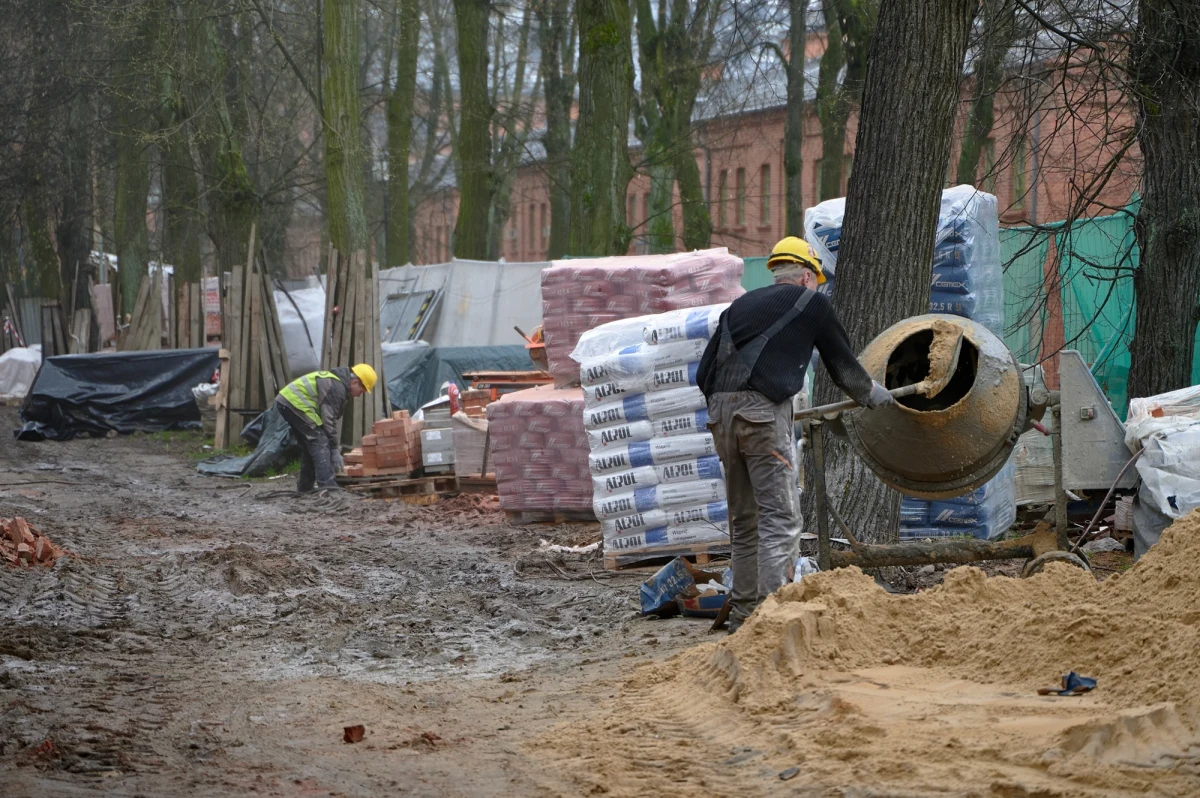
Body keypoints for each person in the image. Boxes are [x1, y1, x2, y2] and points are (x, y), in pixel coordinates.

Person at [696, 236, 893, 631]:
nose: (817, 286)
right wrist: (874, 395)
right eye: (816, 279)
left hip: (719, 416)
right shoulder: (812, 303)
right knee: (781, 520)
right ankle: (772, 622)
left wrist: (734, 408)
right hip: (761, 417)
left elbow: (704, 372)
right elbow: (843, 368)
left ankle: (744, 616)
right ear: (805, 276)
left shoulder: (739, 307)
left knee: (746, 519)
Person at [275, 364, 377, 494]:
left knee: (310, 446)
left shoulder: (337, 383)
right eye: (361, 391)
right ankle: (328, 487)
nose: (359, 395)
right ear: (355, 381)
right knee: (320, 440)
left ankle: (305, 488)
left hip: (287, 402)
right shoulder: (337, 387)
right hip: (294, 403)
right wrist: (334, 449)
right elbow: (328, 419)